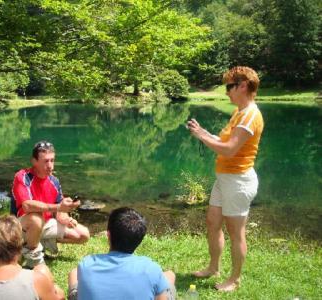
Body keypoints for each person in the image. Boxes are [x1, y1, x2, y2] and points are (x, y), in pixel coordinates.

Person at [187, 66, 264, 291]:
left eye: (229, 86)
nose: (226, 92)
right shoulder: (239, 112)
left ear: (242, 86)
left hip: (238, 181)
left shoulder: (250, 115)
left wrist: (203, 137)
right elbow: (223, 143)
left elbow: (229, 150)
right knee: (213, 222)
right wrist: (204, 133)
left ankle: (235, 279)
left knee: (236, 232)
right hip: (225, 179)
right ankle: (213, 267)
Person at [68, 207, 176, 300]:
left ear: (108, 235)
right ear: (140, 239)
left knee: (74, 273)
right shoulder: (151, 268)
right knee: (169, 275)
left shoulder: (87, 264)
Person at [11, 141, 90, 268]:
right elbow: (27, 206)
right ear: (34, 161)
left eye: (52, 160)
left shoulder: (54, 181)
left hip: (46, 225)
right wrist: (58, 207)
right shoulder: (22, 176)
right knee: (36, 219)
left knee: (83, 234)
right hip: (22, 225)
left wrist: (64, 215)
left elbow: (59, 207)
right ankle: (32, 258)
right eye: (45, 161)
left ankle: (41, 242)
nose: (50, 166)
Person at [0, 215, 65, 300]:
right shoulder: (36, 280)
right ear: (21, 246)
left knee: (42, 269)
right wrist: (56, 289)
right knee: (43, 270)